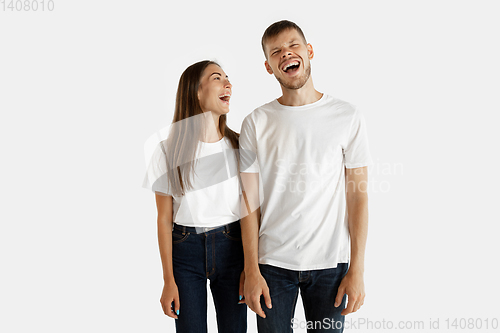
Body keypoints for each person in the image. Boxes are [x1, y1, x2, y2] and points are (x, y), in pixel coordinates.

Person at [239, 20, 373, 332]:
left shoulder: (347, 116)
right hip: (272, 265)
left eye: (293, 45)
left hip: (332, 265)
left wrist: (358, 269)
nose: (286, 53)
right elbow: (248, 201)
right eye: (276, 52)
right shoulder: (255, 122)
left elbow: (358, 195)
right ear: (269, 66)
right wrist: (251, 267)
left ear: (309, 51)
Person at [143, 60, 247, 333]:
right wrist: (168, 280)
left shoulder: (239, 146)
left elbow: (250, 211)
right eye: (217, 78)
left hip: (233, 248)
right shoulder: (167, 152)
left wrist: (250, 266)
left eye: (228, 78)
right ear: (196, 92)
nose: (228, 84)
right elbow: (164, 219)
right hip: (185, 251)